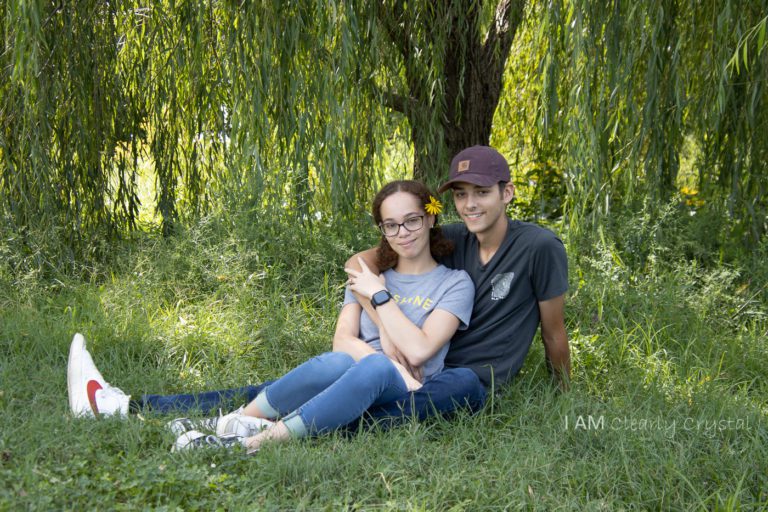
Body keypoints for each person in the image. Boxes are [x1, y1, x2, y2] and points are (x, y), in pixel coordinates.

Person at [69, 145, 569, 428]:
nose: (471, 205)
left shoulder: (538, 247)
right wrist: (370, 292)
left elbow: (553, 332)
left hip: (458, 378)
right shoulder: (451, 237)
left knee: (449, 385)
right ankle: (134, 406)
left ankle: (269, 427)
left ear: (507, 192)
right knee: (316, 379)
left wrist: (563, 391)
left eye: (482, 193)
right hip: (409, 368)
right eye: (461, 196)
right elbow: (365, 261)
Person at [68, 180, 475, 450]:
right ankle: (231, 423)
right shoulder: (368, 276)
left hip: (402, 389)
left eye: (411, 221)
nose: (402, 233)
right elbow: (341, 343)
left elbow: (420, 351)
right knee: (336, 362)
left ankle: (252, 443)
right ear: (382, 231)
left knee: (373, 372)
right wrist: (383, 339)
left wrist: (381, 299)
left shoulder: (453, 284)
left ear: (431, 218)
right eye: (391, 225)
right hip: (342, 375)